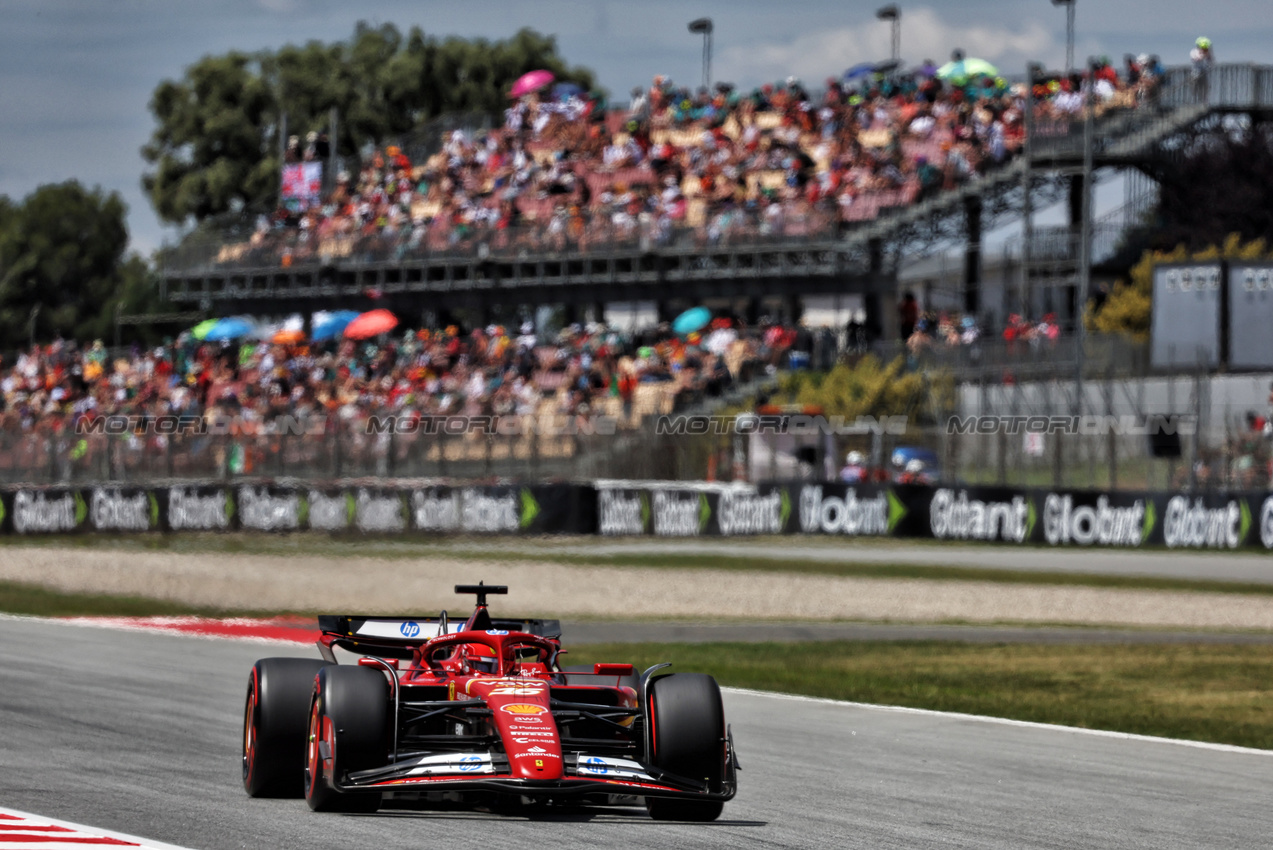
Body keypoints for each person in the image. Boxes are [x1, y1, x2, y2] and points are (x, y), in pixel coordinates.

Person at [1190, 37, 1214, 103]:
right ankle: (1194, 101)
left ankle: (1204, 101)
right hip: (1196, 73)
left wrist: (1209, 55)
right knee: (1195, 88)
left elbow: (1211, 62)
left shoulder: (1208, 53)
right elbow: (1197, 59)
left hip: (1204, 73)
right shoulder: (1194, 52)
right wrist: (1203, 54)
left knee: (1205, 88)